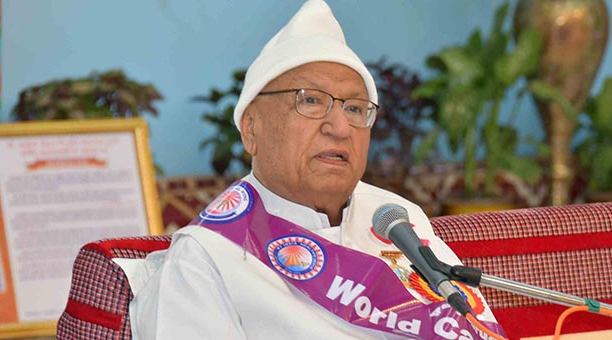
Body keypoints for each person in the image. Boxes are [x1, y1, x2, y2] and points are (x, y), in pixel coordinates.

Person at [127, 1, 504, 339]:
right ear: (251, 129)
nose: (340, 128)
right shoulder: (208, 257)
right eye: (310, 101)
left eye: (355, 109)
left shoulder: (396, 220)